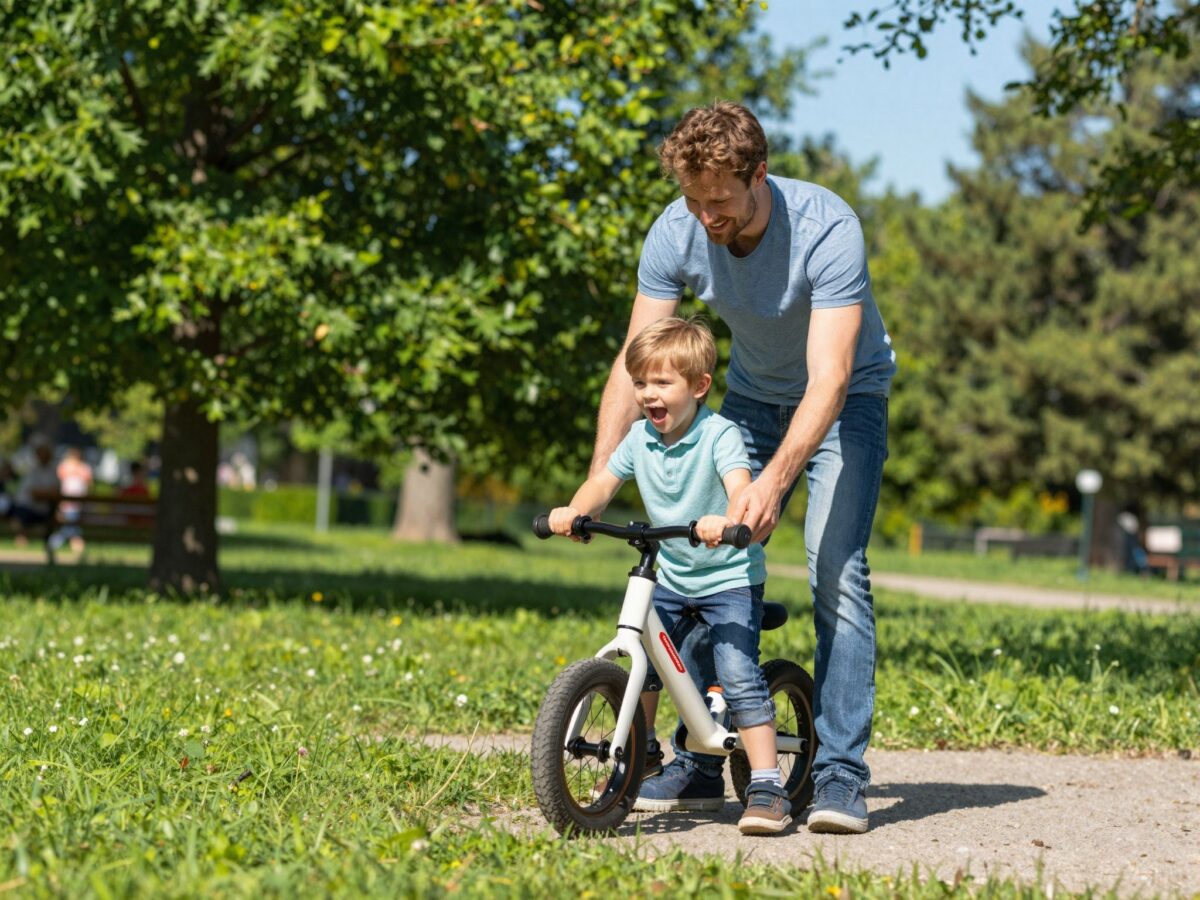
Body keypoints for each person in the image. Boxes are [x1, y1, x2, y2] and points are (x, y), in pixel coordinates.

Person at [588, 102, 895, 835]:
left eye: (719, 199)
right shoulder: (677, 227)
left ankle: (839, 775)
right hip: (751, 398)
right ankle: (701, 753)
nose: (704, 216)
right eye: (693, 199)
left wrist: (772, 484)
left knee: (835, 570)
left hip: (846, 401)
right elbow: (635, 367)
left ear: (759, 174)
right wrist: (600, 472)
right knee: (694, 553)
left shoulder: (826, 227)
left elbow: (830, 377)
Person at [550, 316, 792, 835]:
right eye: (640, 383)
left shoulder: (718, 434)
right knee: (653, 664)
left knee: (736, 673)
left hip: (727, 576)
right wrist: (573, 511)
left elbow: (739, 484)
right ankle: (647, 754)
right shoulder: (640, 439)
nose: (647, 394)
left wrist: (727, 519)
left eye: (662, 383)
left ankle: (769, 784)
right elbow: (603, 483)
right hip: (676, 574)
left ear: (699, 386)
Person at [11, 438, 60, 547]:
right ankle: (22, 539)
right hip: (27, 508)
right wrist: (47, 493)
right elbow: (34, 494)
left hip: (43, 510)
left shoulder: (52, 471)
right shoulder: (33, 470)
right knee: (18, 517)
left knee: (54, 520)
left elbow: (56, 491)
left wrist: (45, 494)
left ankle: (47, 546)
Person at [54, 446, 93, 553]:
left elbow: (88, 484)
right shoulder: (65, 466)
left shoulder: (83, 468)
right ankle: (75, 544)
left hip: (77, 502)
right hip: (67, 501)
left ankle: (55, 542)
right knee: (71, 523)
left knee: (71, 523)